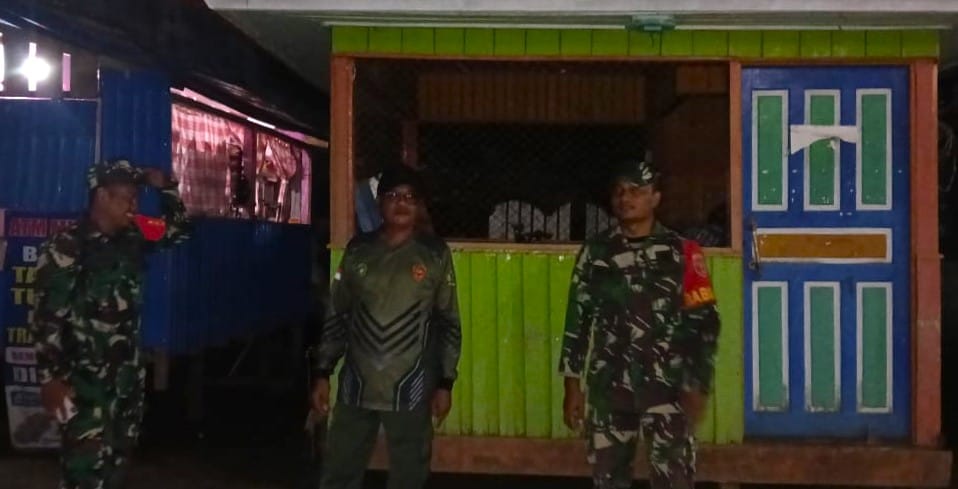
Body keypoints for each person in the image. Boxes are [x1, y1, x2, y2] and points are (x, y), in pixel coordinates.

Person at [559, 159, 721, 489]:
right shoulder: (595, 252)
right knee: (608, 479)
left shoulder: (682, 252)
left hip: (668, 389)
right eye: (619, 191)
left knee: (674, 480)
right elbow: (578, 318)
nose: (625, 198)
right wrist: (572, 385)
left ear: (655, 198)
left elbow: (704, 322)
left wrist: (698, 383)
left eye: (636, 191)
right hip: (610, 387)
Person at [31, 159, 191, 489]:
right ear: (102, 196)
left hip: (125, 384)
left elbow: (179, 231)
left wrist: (167, 189)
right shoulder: (67, 246)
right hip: (82, 386)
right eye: (127, 198)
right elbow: (46, 317)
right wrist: (50, 379)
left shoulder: (135, 235)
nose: (134, 206)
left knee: (116, 469)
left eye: (136, 198)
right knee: (83, 472)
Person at [310, 165, 462, 489]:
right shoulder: (358, 250)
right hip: (356, 385)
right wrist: (322, 372)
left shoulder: (434, 254)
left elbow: (448, 322)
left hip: (411, 386)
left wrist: (445, 382)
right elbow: (337, 314)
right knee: (339, 472)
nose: (401, 203)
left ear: (419, 205)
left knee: (409, 477)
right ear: (379, 202)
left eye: (410, 197)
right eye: (393, 195)